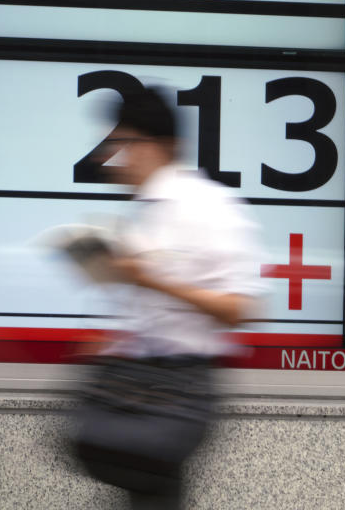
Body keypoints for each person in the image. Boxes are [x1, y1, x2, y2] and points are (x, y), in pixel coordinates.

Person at [73, 86, 265, 509]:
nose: (115, 158)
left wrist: (152, 281)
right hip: (139, 380)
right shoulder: (145, 212)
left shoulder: (210, 207)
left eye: (123, 144)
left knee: (147, 486)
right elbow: (148, 305)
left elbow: (241, 308)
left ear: (159, 145)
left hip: (181, 387)